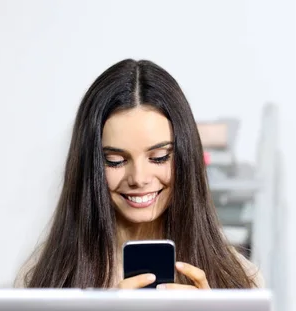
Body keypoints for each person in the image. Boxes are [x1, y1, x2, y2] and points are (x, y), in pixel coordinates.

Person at [14, 59, 263, 290]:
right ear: (90, 166)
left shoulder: (243, 279)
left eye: (159, 157)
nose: (139, 178)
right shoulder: (42, 279)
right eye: (115, 160)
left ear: (186, 158)